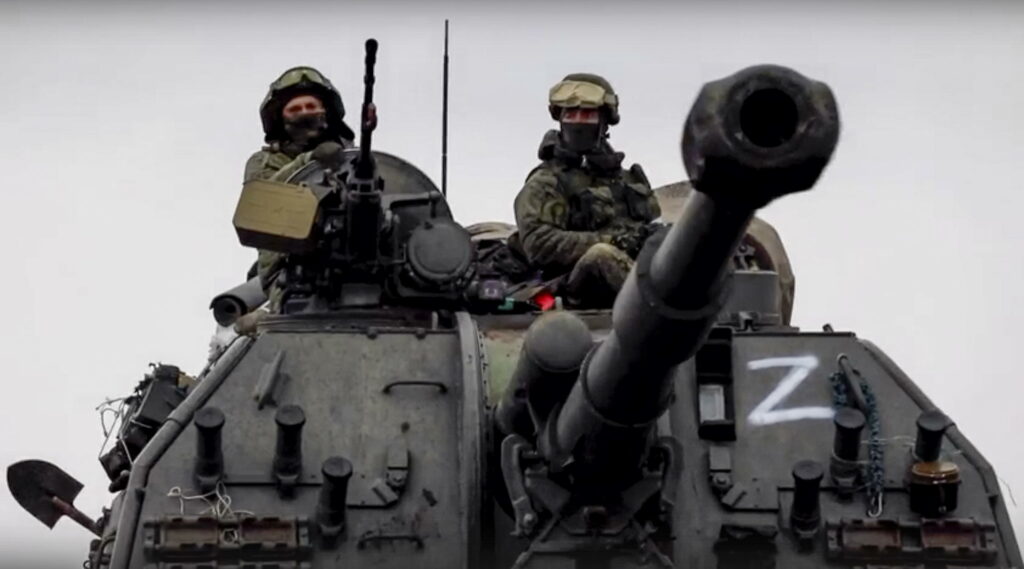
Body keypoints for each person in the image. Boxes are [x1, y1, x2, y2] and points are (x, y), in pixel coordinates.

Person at [509, 73, 661, 307]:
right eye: (571, 114)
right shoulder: (547, 181)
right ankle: (662, 309)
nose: (578, 122)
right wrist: (614, 241)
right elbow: (540, 244)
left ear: (605, 121)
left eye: (588, 115)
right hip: (573, 287)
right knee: (601, 255)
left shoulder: (628, 179)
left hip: (636, 275)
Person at [243, 66, 355, 183]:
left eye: (311, 107)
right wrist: (309, 160)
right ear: (281, 120)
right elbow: (262, 191)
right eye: (295, 109)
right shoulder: (263, 161)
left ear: (326, 113)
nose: (304, 112)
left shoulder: (354, 159)